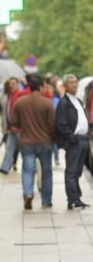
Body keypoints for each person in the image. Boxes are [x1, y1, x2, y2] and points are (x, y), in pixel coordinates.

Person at [10, 74, 56, 210]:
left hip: (26, 142)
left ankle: (28, 194)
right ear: (41, 87)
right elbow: (53, 125)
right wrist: (53, 139)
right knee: (46, 172)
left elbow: (14, 122)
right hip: (45, 142)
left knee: (28, 170)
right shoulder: (47, 103)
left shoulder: (20, 102)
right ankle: (46, 201)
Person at [55, 74, 90, 209]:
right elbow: (60, 124)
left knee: (77, 172)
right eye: (71, 83)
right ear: (65, 85)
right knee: (71, 172)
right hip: (75, 142)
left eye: (75, 82)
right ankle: (72, 200)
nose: (74, 85)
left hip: (83, 140)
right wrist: (72, 138)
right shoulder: (63, 103)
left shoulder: (77, 101)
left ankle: (77, 198)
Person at [0, 77, 21, 174]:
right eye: (10, 83)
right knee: (9, 147)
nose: (11, 85)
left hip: (19, 128)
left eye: (13, 83)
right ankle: (5, 167)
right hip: (11, 127)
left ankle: (33, 167)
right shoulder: (9, 96)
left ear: (18, 84)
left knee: (24, 149)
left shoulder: (20, 95)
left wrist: (17, 126)